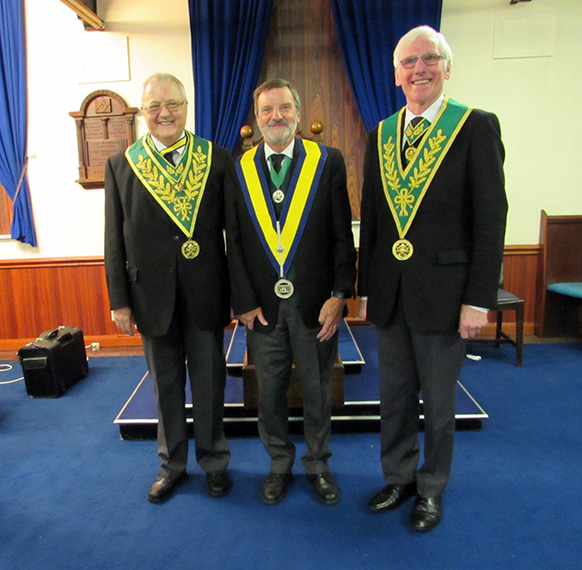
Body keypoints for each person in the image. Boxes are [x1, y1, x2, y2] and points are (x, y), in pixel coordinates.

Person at [358, 26, 508, 531]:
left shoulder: (475, 126)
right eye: (408, 61)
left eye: (429, 59)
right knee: (394, 398)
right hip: (392, 294)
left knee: (439, 404)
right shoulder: (381, 134)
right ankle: (398, 477)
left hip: (446, 295)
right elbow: (374, 219)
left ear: (447, 67)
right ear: (395, 74)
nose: (418, 68)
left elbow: (490, 220)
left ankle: (431, 487)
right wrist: (366, 289)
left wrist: (478, 300)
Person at [104, 72, 234, 504]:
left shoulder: (216, 159)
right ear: (143, 112)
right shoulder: (122, 165)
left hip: (205, 292)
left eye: (172, 104)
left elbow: (235, 234)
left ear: (186, 107)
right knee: (165, 387)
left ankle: (214, 462)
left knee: (210, 384)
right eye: (155, 106)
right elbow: (113, 239)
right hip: (150, 298)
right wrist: (119, 302)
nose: (164, 113)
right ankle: (171, 466)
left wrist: (240, 295)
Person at [226, 79, 357, 506]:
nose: (276, 116)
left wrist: (340, 293)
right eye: (267, 110)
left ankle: (318, 465)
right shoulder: (239, 168)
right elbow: (234, 242)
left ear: (298, 113)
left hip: (316, 304)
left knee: (317, 390)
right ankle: (279, 464)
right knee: (269, 394)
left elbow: (342, 235)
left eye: (284, 108)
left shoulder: (327, 161)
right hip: (263, 308)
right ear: (257, 117)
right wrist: (244, 302)